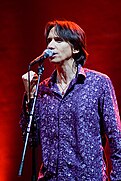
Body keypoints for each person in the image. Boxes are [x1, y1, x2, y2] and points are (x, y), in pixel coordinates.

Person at [20, 20, 121, 181]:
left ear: (75, 48)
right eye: (49, 41)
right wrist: (30, 97)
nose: (50, 46)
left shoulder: (99, 83)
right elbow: (32, 140)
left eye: (58, 40)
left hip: (88, 177)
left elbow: (116, 137)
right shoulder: (42, 89)